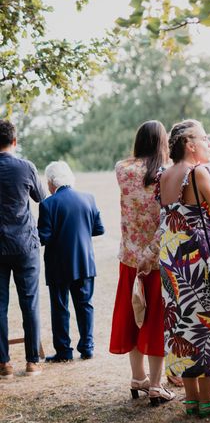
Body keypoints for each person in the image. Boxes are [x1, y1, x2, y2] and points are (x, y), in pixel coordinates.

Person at [154, 119, 210, 416]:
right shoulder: (197, 172)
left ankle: (191, 399)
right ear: (189, 144)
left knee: (182, 323)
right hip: (197, 258)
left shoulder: (165, 174)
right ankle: (208, 396)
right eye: (204, 139)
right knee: (208, 322)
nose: (209, 144)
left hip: (172, 256)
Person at [109, 120, 176, 405]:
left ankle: (138, 377)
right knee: (155, 320)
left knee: (133, 317)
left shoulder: (122, 170)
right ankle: (157, 384)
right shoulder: (165, 174)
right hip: (156, 258)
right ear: (162, 143)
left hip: (129, 257)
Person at [38, 161, 105, 362]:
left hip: (58, 264)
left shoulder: (48, 204)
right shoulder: (88, 198)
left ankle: (64, 351)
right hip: (84, 261)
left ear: (51, 182)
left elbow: (44, 236)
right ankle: (87, 347)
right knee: (85, 305)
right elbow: (99, 229)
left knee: (60, 307)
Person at [0, 119, 47, 379]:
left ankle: (3, 363)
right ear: (14, 141)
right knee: (29, 302)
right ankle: (31, 362)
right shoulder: (25, 167)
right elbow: (42, 199)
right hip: (24, 244)